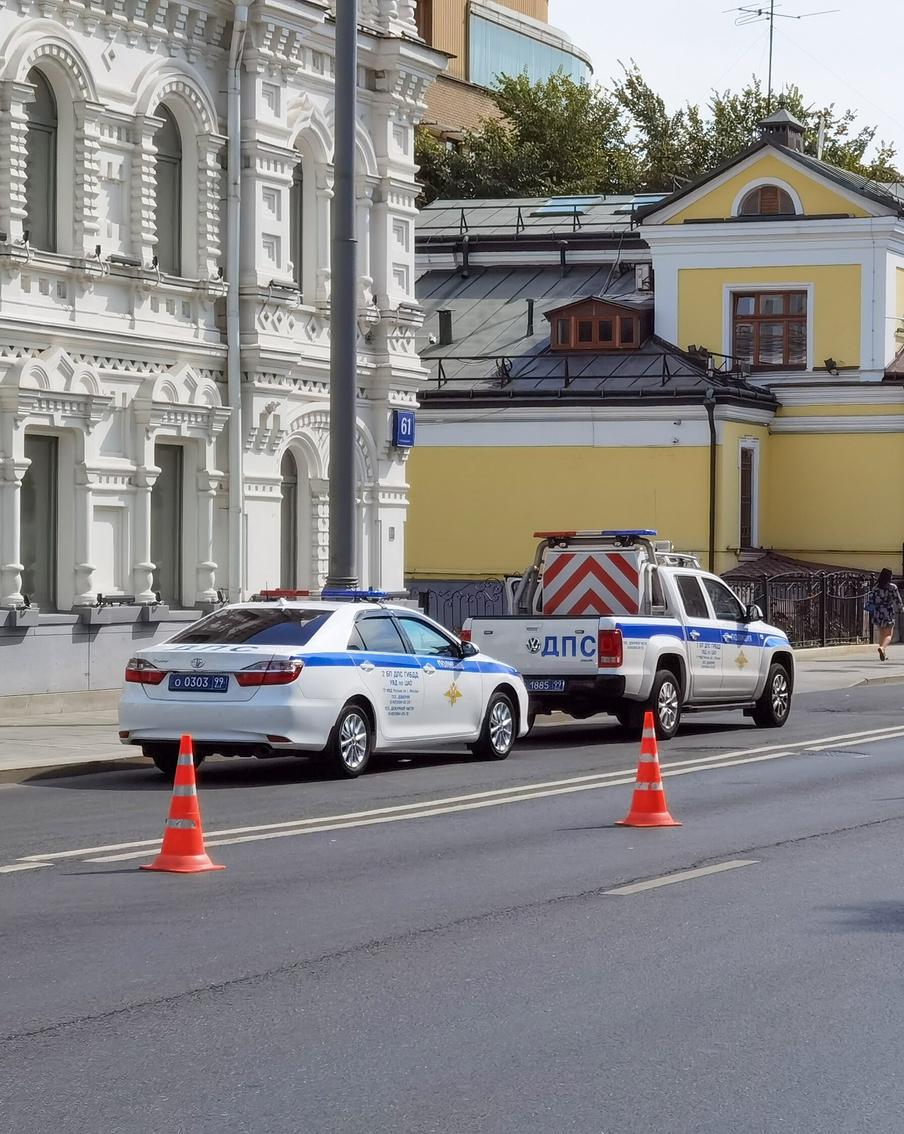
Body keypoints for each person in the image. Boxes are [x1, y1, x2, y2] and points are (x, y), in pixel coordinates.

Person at [865, 568, 903, 661]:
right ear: (889, 576)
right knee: (889, 635)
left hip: (878, 611)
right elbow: (897, 600)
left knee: (882, 633)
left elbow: (870, 599)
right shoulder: (892, 587)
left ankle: (883, 653)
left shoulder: (875, 587)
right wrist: (901, 608)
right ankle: (882, 648)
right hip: (888, 611)